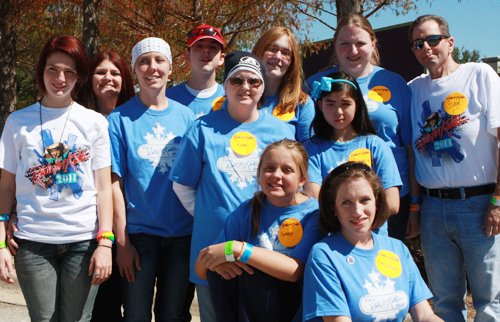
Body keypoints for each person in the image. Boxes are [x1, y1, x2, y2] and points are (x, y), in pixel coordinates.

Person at [170, 51, 295, 322]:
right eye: (237, 80)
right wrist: (210, 214)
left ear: (263, 88)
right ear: (224, 85)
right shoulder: (202, 128)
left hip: (266, 252)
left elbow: (290, 191)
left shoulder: (282, 131)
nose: (245, 87)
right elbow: (182, 187)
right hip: (214, 249)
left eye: (254, 81)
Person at [0, 35, 113, 321]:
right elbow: (6, 185)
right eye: (53, 69)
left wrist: (105, 243)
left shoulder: (95, 122)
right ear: (41, 71)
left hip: (83, 242)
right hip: (33, 242)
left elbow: (103, 187)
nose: (60, 78)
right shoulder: (17, 122)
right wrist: (0, 239)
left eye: (69, 71)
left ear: (80, 77)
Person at [408, 14, 500, 321]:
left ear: (449, 42)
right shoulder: (413, 90)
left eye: (433, 40)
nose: (426, 48)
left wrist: (498, 201)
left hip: (479, 205)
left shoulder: (480, 75)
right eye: (418, 43)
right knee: (445, 301)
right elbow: (413, 153)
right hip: (433, 209)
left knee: (490, 300)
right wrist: (416, 207)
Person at [304, 13, 416, 241]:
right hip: (332, 208)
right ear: (335, 46)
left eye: (360, 43)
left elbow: (409, 146)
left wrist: (415, 202)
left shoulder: (395, 82)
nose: (353, 50)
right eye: (344, 43)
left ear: (373, 44)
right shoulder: (314, 85)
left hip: (387, 194)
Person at [107, 37, 196, 321]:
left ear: (171, 68)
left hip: (182, 236)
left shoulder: (188, 118)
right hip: (140, 236)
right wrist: (122, 244)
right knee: (135, 313)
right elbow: (114, 185)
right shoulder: (119, 119)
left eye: (159, 61)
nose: (152, 68)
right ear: (134, 70)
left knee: (173, 314)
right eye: (144, 61)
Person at [195, 139, 323, 322]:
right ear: (259, 174)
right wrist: (218, 262)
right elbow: (203, 270)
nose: (276, 175)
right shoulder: (246, 211)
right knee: (222, 270)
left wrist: (239, 250)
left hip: (296, 305)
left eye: (287, 170)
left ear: (302, 179)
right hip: (254, 307)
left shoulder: (314, 214)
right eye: (269, 168)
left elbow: (295, 271)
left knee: (251, 269)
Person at [303, 162, 443, 322]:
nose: (357, 211)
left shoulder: (397, 249)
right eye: (346, 202)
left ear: (377, 202)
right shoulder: (324, 255)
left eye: (364, 200)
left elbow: (425, 315)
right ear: (333, 208)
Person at [304, 71, 402, 234]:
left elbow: (392, 204)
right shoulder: (311, 150)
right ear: (320, 105)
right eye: (330, 103)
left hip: (373, 240)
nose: (338, 111)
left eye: (345, 103)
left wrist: (354, 215)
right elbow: (316, 200)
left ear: (357, 104)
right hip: (331, 241)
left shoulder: (376, 145)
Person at [252, 27, 315, 142]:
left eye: (286, 53)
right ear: (259, 51)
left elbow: (308, 153)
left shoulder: (303, 104)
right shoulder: (241, 97)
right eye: (272, 48)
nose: (278, 56)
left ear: (292, 62)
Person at [166, 25, 226, 118]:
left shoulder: (230, 98)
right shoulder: (167, 98)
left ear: (221, 58)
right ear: (187, 55)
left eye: (213, 47)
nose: (206, 50)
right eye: (199, 46)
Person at [79, 51, 135, 116]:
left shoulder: (135, 117)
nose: (108, 78)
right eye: (101, 73)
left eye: (115, 73)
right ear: (89, 78)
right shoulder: (76, 116)